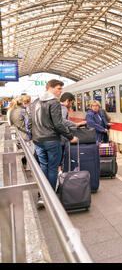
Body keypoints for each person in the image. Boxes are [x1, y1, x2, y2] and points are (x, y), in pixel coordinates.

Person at [28, 79, 78, 208]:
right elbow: (58, 124)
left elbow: (30, 123)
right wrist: (70, 136)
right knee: (52, 169)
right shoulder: (53, 102)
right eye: (58, 88)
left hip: (38, 141)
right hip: (51, 141)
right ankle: (49, 197)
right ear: (49, 88)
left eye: (61, 89)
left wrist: (33, 136)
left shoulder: (35, 102)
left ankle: (41, 196)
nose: (61, 91)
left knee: (43, 167)